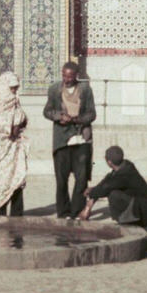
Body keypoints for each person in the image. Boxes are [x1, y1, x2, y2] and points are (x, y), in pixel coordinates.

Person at [43, 60, 96, 219]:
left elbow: (92, 114)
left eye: (70, 77)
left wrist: (77, 120)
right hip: (62, 140)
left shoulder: (85, 90)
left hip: (81, 140)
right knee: (61, 180)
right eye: (64, 76)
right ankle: (63, 212)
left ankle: (76, 211)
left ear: (76, 76)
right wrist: (59, 117)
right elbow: (47, 111)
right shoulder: (54, 90)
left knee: (81, 179)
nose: (67, 80)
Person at [75, 145, 147, 228]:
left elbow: (104, 189)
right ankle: (129, 220)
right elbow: (105, 183)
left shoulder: (124, 175)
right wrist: (88, 206)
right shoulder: (125, 166)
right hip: (144, 210)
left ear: (109, 162)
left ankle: (129, 224)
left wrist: (91, 193)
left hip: (144, 216)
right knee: (108, 189)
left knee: (113, 195)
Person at [0, 71, 28, 216]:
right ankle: (0, 213)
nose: (15, 91)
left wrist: (19, 123)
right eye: (12, 88)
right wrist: (11, 126)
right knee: (0, 181)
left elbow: (22, 117)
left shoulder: (14, 100)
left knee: (16, 178)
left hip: (13, 149)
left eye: (16, 88)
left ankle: (17, 214)